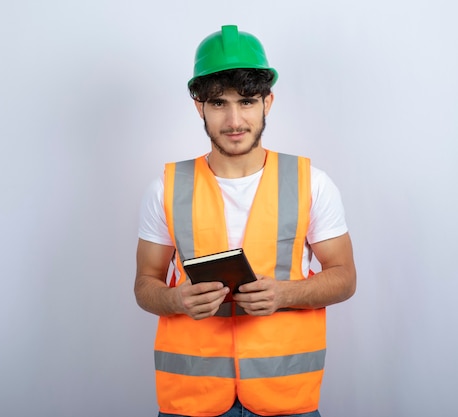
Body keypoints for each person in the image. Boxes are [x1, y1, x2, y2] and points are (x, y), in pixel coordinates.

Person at [134, 25, 356, 417]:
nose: (235, 120)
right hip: (191, 399)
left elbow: (344, 277)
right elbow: (144, 285)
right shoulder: (165, 188)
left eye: (247, 101)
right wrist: (175, 300)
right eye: (219, 103)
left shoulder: (311, 183)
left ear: (268, 103)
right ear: (199, 106)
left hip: (286, 398)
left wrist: (284, 294)